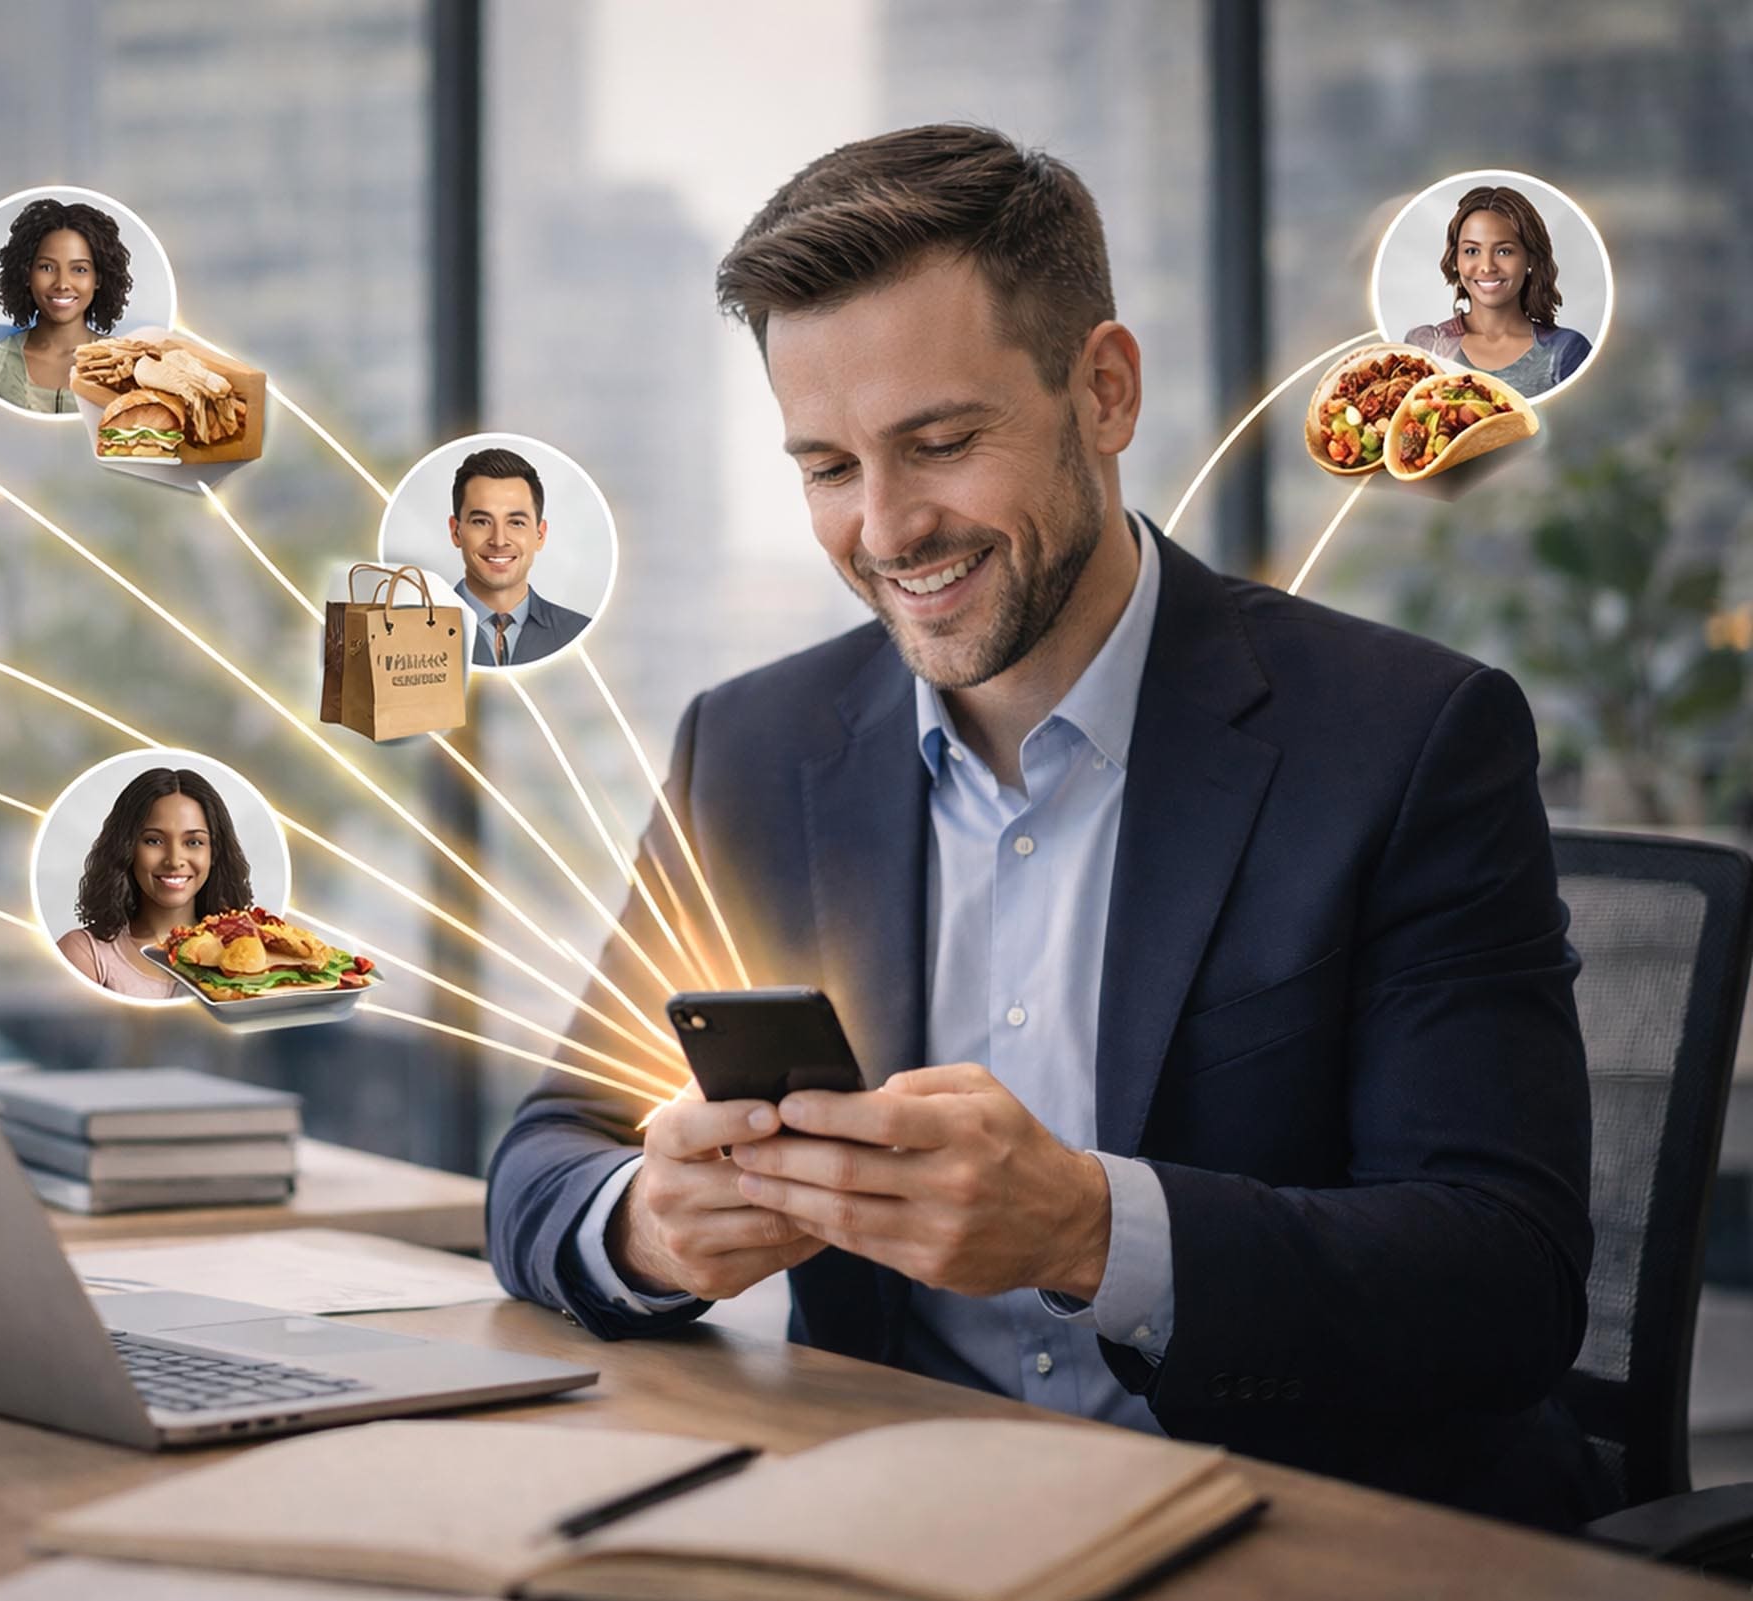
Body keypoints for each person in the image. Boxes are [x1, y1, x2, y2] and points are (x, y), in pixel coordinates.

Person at [486, 125, 1604, 1530]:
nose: (888, 530)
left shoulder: (1408, 740)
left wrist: (1092, 1227)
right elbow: (543, 1159)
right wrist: (647, 1227)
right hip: (892, 1520)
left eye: (941, 444)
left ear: (1107, 392)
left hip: (1300, 1528)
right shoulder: (755, 750)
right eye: (828, 467)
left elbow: (1505, 1278)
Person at [56, 767, 255, 1000]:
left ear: (215, 853)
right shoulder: (86, 954)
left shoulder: (247, 949)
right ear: (126, 848)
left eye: (193, 842)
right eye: (154, 840)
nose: (174, 860)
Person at [1400, 185, 1592, 398]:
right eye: (1472, 251)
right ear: (1455, 260)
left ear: (1530, 259)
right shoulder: (1425, 346)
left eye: (1504, 251)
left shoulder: (1566, 352)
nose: (1487, 267)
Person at [0, 198, 135, 413]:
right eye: (46, 267)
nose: (62, 284)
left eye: (79, 269)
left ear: (98, 279)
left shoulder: (127, 366)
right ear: (26, 273)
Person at [445, 447, 594, 668]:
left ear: (540, 534)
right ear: (456, 531)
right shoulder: (412, 633)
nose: (499, 540)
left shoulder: (581, 635)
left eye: (516, 523)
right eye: (481, 521)